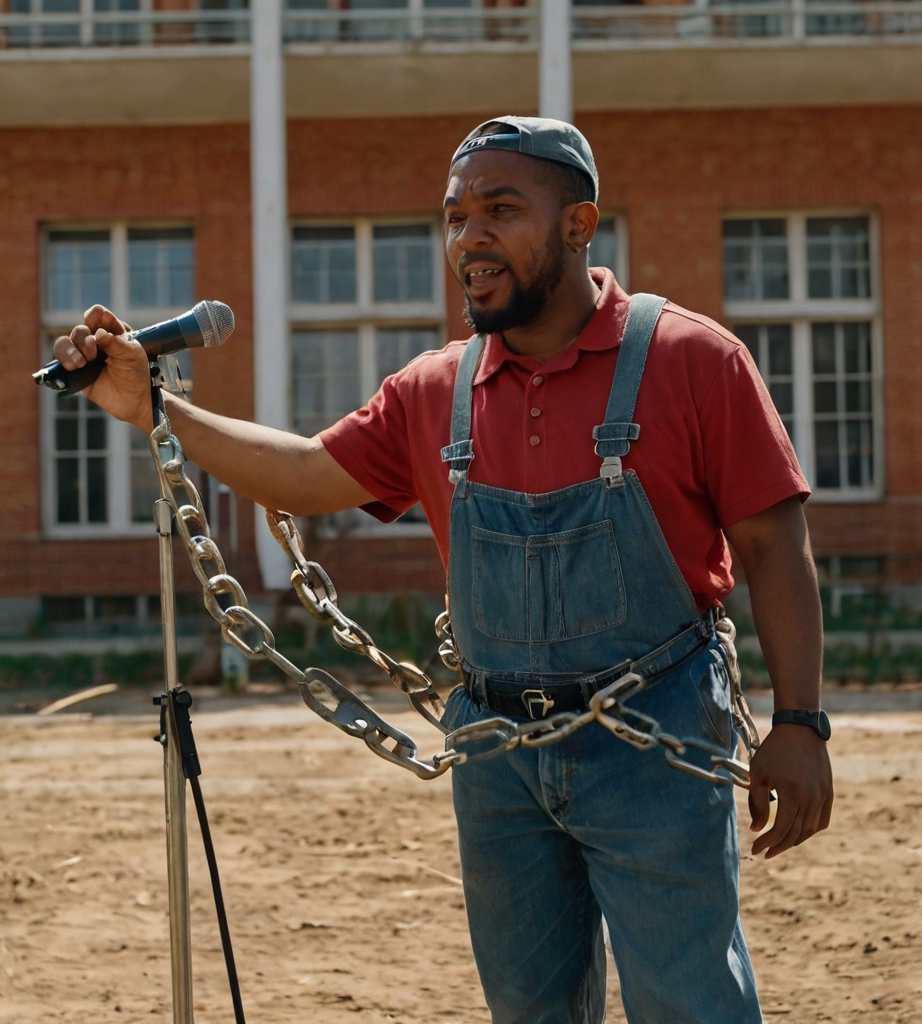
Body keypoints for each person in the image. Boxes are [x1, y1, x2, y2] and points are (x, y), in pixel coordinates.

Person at [54, 116, 833, 1024]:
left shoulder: (694, 361)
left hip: (654, 739)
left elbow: (776, 547)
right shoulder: (434, 390)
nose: (470, 239)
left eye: (500, 211)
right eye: (456, 217)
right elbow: (305, 474)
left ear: (578, 225)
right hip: (496, 754)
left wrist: (800, 723)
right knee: (527, 1010)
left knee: (689, 1003)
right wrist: (151, 406)